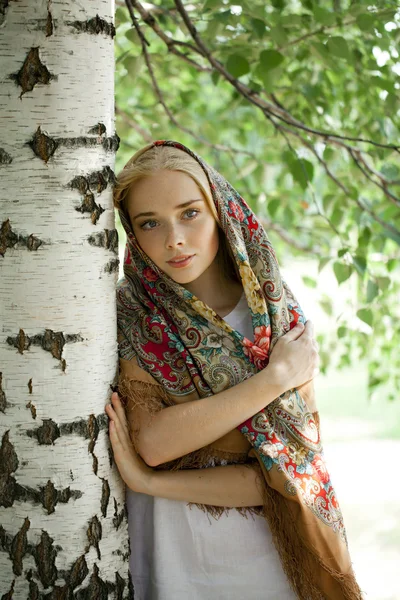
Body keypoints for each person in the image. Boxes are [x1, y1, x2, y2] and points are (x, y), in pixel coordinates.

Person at [105, 140, 362, 600]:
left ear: (220, 211)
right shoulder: (133, 313)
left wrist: (149, 483)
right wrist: (273, 380)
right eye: (150, 223)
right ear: (131, 231)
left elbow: (287, 476)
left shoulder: (275, 313)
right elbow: (155, 442)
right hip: (172, 561)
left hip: (267, 565)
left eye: (189, 213)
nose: (174, 239)